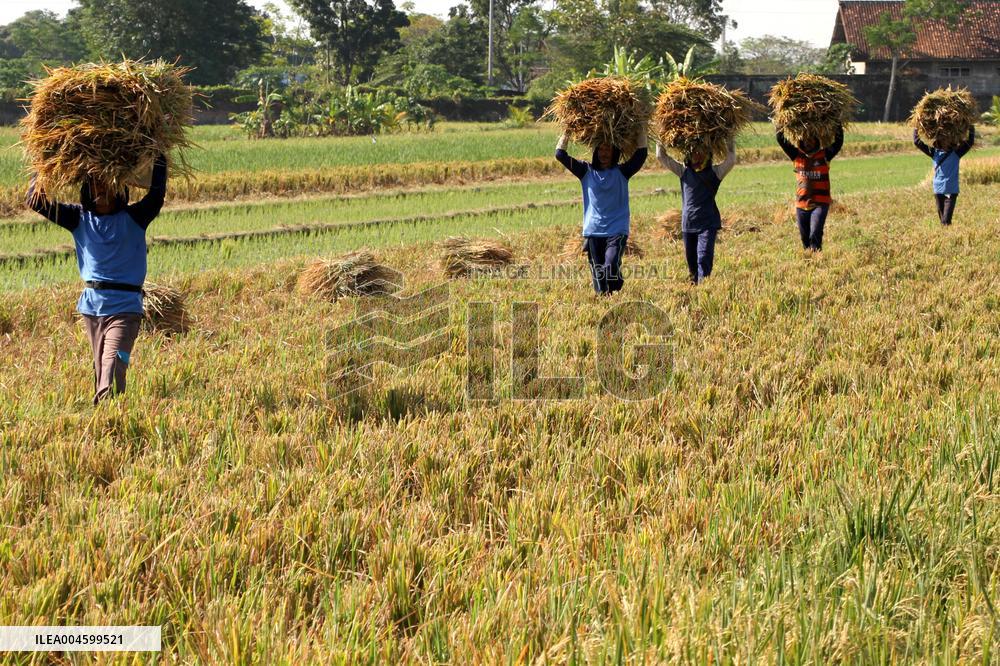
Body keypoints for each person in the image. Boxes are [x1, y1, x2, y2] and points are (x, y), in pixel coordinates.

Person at [26, 156, 168, 404]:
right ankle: (106, 418)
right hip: (92, 309)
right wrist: (44, 164)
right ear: (87, 188)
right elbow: (35, 201)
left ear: (118, 187)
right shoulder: (78, 218)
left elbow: (156, 196)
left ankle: (109, 420)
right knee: (100, 369)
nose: (101, 189)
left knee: (112, 365)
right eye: (95, 183)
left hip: (125, 309)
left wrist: (159, 156)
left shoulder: (135, 217)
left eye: (107, 183)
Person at [556, 133, 648, 295]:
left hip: (617, 230)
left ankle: (616, 283)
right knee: (598, 275)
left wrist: (641, 127)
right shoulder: (585, 171)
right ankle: (604, 299)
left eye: (608, 149)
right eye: (601, 149)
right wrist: (567, 133)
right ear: (595, 151)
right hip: (593, 230)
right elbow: (560, 154)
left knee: (610, 265)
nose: (604, 153)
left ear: (615, 152)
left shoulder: (623, 172)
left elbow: (641, 153)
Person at [656, 139, 736, 284]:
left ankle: (703, 287)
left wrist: (730, 137)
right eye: (694, 152)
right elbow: (661, 156)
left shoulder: (715, 172)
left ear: (708, 154)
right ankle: (695, 283)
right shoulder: (683, 172)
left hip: (708, 224)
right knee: (692, 263)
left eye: (702, 152)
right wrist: (661, 138)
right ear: (689, 154)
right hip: (688, 225)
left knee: (704, 257)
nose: (698, 155)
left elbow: (731, 159)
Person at [776, 125, 843, 252]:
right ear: (801, 141)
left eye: (811, 140)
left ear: (816, 141)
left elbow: (838, 142)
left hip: (820, 203)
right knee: (804, 239)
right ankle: (809, 260)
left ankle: (817, 258)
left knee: (815, 235)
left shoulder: (825, 155)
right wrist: (780, 124)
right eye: (805, 140)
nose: (808, 143)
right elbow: (781, 139)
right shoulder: (797, 156)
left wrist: (837, 124)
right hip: (801, 204)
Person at [913, 126, 975, 226]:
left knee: (946, 221)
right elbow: (917, 142)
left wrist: (970, 127)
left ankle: (948, 237)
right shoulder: (935, 153)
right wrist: (917, 128)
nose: (945, 142)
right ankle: (945, 237)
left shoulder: (956, 153)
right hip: (939, 190)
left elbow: (970, 142)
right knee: (943, 220)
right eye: (943, 140)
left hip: (951, 190)